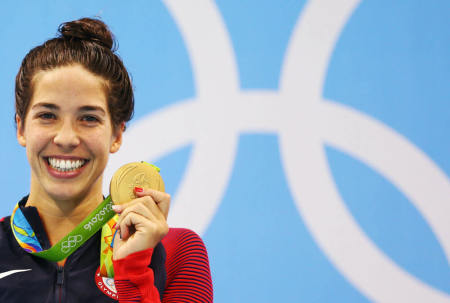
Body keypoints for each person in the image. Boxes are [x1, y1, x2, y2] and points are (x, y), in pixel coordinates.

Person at [0, 17, 213, 302]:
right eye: (47, 115)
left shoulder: (175, 250)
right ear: (22, 127)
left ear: (116, 134)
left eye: (88, 118)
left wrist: (133, 268)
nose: (66, 138)